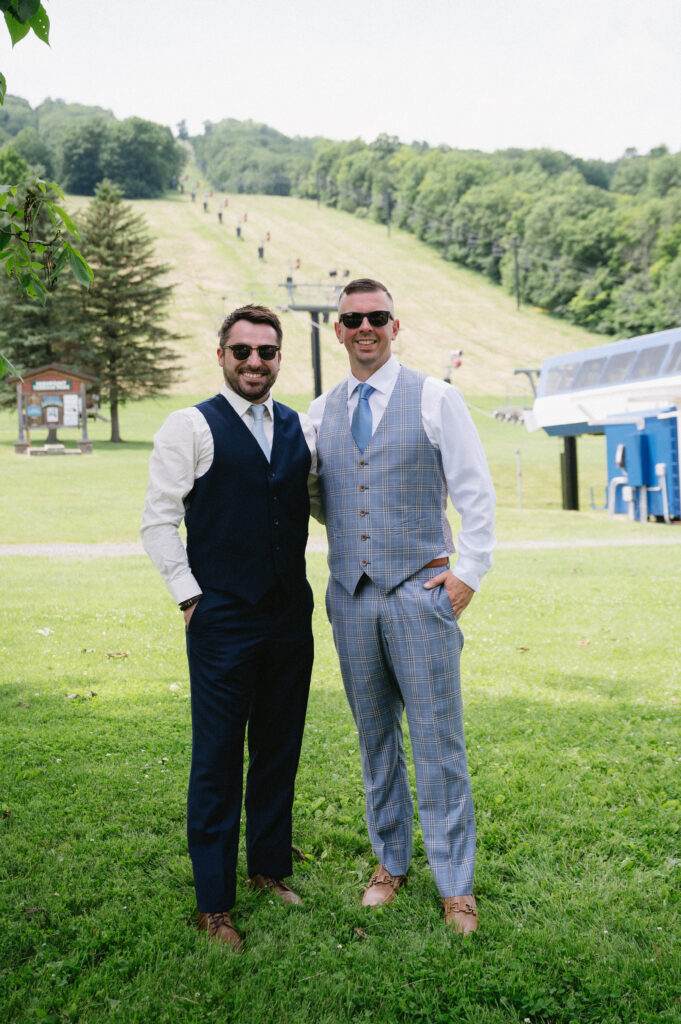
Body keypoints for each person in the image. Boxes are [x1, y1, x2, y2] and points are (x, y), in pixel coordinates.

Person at [308, 279, 495, 934]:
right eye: (353, 318)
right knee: (374, 738)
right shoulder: (319, 412)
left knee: (438, 740)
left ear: (395, 325)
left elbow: (475, 491)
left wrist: (467, 574)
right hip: (350, 598)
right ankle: (390, 862)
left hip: (422, 592)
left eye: (377, 316)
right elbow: (316, 496)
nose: (366, 327)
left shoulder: (436, 398)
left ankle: (455, 884)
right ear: (338, 329)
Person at [141, 304, 318, 951]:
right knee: (217, 757)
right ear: (221, 355)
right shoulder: (189, 425)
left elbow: (317, 504)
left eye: (266, 352)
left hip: (288, 615)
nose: (253, 362)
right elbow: (158, 519)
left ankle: (268, 867)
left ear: (278, 359)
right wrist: (190, 597)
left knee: (278, 746)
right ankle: (213, 904)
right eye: (241, 351)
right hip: (221, 616)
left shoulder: (298, 427)